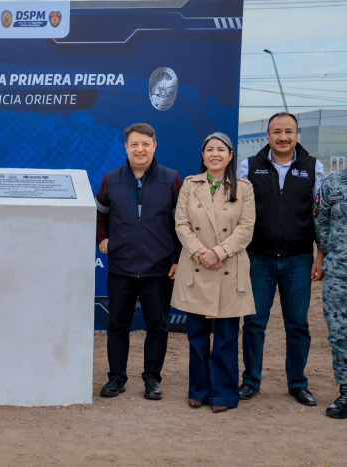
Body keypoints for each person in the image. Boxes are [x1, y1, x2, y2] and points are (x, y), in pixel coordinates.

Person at [237, 112, 325, 406]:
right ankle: (251, 381)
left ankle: (298, 383)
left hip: (299, 259)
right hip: (257, 259)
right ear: (268, 135)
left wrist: (319, 255)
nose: (283, 137)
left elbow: (321, 215)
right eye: (277, 131)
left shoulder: (313, 167)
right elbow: (236, 212)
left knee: (298, 325)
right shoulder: (249, 166)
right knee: (254, 323)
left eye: (289, 131)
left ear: (297, 134)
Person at [95, 123, 182, 401]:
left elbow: (182, 222)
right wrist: (102, 238)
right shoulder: (111, 179)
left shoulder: (172, 179)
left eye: (145, 144)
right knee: (117, 326)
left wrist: (178, 258)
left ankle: (152, 378)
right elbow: (100, 212)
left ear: (154, 146)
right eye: (134, 144)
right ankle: (116, 378)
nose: (139, 149)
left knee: (157, 326)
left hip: (159, 268)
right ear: (126, 148)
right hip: (121, 267)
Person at [172, 132, 255, 413]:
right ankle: (198, 390)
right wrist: (201, 253)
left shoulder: (243, 188)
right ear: (203, 155)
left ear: (230, 156)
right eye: (209, 149)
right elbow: (181, 224)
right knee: (196, 336)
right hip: (197, 267)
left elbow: (246, 228)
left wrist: (218, 253)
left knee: (226, 337)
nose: (215, 154)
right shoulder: (190, 185)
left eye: (221, 149)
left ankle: (224, 394)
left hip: (229, 267)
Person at [314, 170, 347, 419]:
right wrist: (334, 253)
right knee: (339, 333)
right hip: (339, 273)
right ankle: (346, 390)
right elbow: (321, 223)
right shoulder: (332, 184)